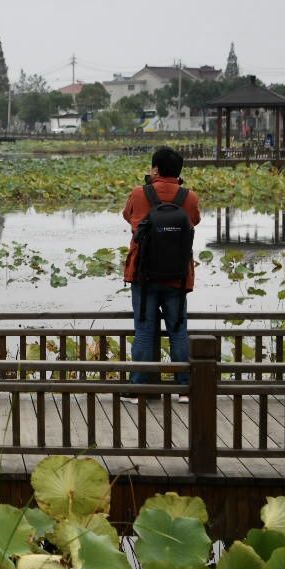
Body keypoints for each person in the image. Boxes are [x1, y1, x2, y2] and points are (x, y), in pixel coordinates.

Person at [122, 146, 201, 403]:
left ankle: (138, 389)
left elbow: (128, 216)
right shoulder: (189, 198)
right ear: (179, 171)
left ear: (155, 169)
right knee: (179, 329)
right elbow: (194, 221)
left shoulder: (138, 193)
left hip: (143, 276)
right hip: (178, 277)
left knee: (144, 330)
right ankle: (185, 387)